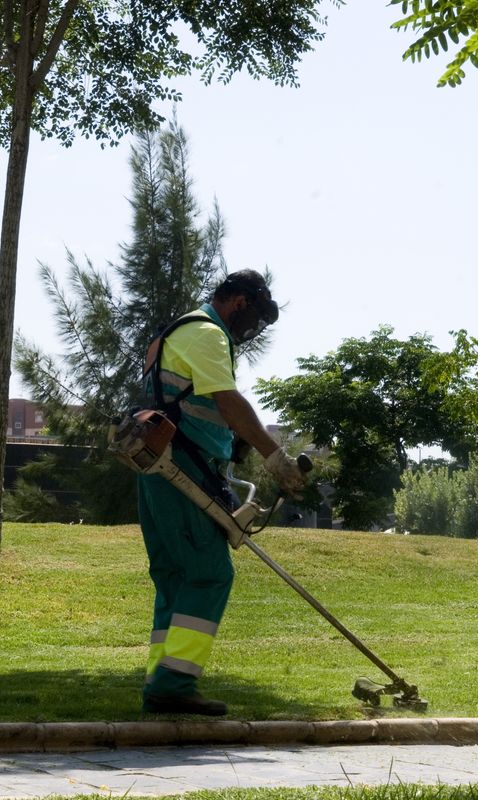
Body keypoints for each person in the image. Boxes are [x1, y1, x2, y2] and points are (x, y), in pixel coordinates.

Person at [138, 270, 306, 716]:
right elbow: (230, 404)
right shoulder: (208, 333)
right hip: (183, 469)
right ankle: (174, 685)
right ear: (237, 301)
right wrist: (276, 459)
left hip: (157, 466)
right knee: (210, 574)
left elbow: (193, 404)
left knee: (175, 578)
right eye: (254, 316)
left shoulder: (175, 332)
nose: (252, 328)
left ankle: (161, 681)